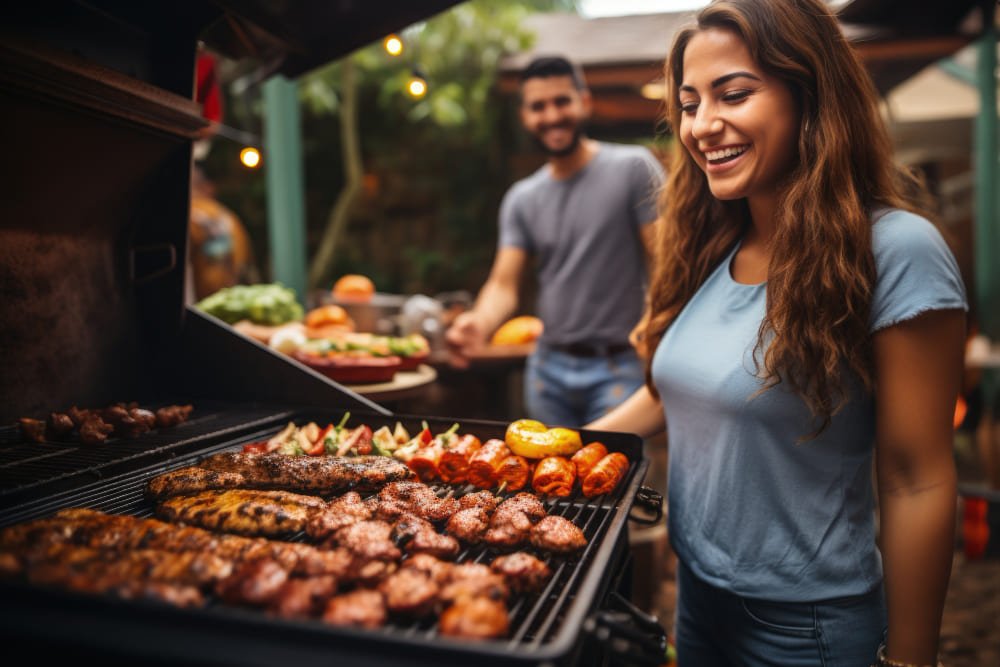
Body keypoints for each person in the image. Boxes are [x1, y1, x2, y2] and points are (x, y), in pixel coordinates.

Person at [587, 1, 967, 665]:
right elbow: (671, 391)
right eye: (689, 102)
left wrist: (910, 658)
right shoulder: (711, 243)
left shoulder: (896, 249)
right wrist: (559, 453)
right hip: (696, 599)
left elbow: (916, 477)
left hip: (808, 628)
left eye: (734, 93)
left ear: (811, 95)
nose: (703, 125)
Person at [445, 56, 665, 427]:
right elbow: (503, 284)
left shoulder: (633, 168)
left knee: (609, 478)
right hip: (547, 368)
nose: (551, 115)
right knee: (549, 484)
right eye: (538, 106)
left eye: (561, 101)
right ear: (525, 117)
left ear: (584, 102)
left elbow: (666, 260)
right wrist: (479, 324)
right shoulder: (522, 197)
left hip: (618, 365)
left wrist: (658, 324)